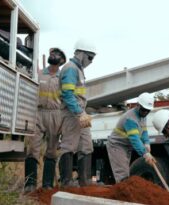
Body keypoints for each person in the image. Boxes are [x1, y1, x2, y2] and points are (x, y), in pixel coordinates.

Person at [24, 47, 66, 192]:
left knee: (52, 151)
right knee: (32, 149)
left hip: (56, 115)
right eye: (52, 53)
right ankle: (30, 184)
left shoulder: (63, 78)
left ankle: (47, 185)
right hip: (38, 113)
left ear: (62, 61)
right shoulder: (39, 74)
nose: (53, 55)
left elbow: (66, 99)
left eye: (57, 54)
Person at [58, 39, 96, 187]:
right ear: (81, 54)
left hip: (80, 112)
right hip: (71, 113)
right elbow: (68, 94)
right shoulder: (71, 68)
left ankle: (84, 181)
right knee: (68, 145)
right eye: (90, 57)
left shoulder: (79, 70)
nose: (91, 61)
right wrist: (80, 113)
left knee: (86, 145)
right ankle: (66, 182)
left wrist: (82, 113)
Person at [107, 92, 156, 183]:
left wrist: (146, 143)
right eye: (143, 109)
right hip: (117, 145)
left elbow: (144, 131)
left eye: (147, 111)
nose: (145, 112)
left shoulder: (143, 116)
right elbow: (135, 139)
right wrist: (145, 153)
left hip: (126, 146)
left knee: (126, 172)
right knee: (122, 174)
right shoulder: (130, 118)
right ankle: (121, 195)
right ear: (138, 105)